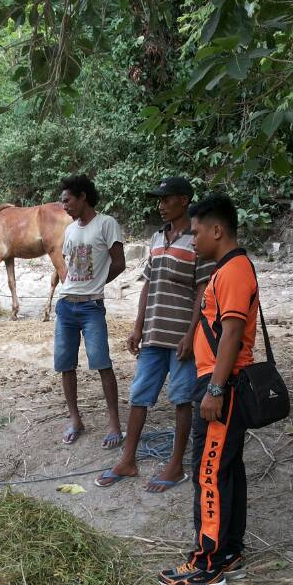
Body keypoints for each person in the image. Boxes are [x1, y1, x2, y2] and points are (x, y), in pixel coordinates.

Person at [158, 193, 258, 585]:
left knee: (209, 471)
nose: (193, 239)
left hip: (223, 384)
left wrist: (215, 389)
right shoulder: (228, 269)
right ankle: (229, 550)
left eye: (197, 232)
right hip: (220, 381)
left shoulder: (233, 271)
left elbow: (232, 333)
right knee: (227, 467)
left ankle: (207, 564)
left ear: (218, 230)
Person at [95, 176, 214, 492]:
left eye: (166, 199)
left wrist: (191, 334)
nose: (160, 206)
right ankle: (128, 459)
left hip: (181, 338)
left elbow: (202, 291)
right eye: (159, 200)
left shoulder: (197, 240)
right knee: (139, 395)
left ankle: (175, 465)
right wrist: (137, 326)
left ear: (185, 200)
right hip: (153, 335)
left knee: (181, 399)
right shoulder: (157, 238)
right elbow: (148, 283)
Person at [55, 175, 126, 448]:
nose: (64, 206)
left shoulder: (106, 224)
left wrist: (97, 283)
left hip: (91, 307)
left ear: (83, 196)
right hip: (65, 306)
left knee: (102, 363)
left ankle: (114, 424)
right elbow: (67, 265)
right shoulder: (71, 230)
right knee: (65, 365)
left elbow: (119, 263)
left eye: (67, 200)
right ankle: (75, 419)